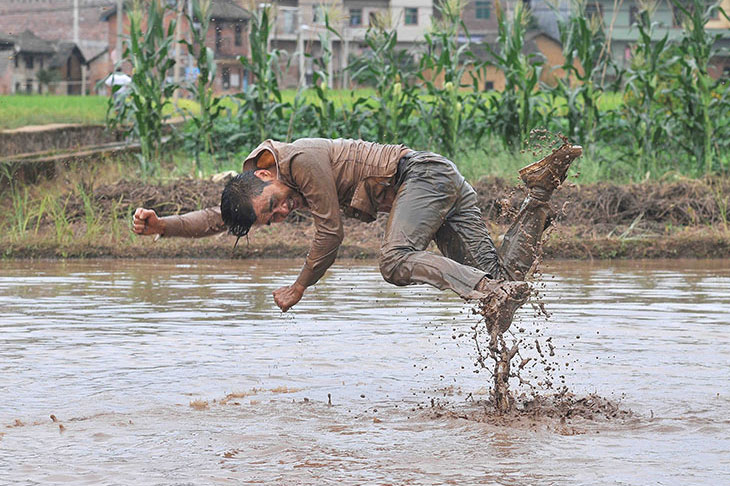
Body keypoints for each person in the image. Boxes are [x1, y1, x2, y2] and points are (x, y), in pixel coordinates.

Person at [133, 138, 581, 331]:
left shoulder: (302, 161)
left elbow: (331, 234)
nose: (285, 212)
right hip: (435, 182)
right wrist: (161, 227)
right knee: (503, 292)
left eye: (275, 205)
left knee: (394, 261)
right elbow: (214, 218)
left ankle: (484, 289)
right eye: (274, 218)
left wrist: (299, 286)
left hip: (420, 176)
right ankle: (538, 195)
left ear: (267, 172)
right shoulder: (272, 182)